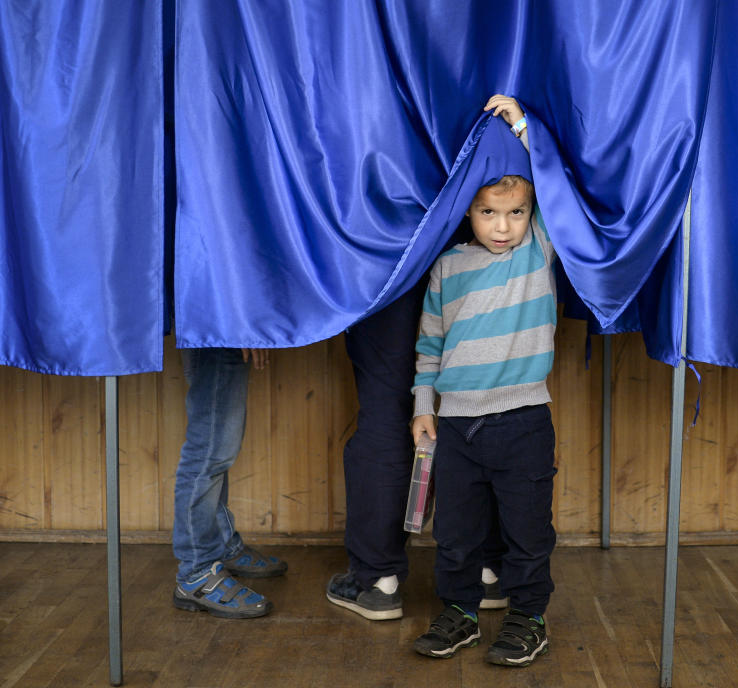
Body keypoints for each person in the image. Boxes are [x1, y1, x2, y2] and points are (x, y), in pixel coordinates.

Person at [410, 95, 557, 667]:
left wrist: (520, 130)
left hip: (523, 421)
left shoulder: (538, 252)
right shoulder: (447, 267)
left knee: (527, 532)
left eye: (516, 213)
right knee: (456, 533)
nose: (504, 226)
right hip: (456, 423)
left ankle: (528, 618)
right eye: (490, 213)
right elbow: (429, 345)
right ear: (467, 212)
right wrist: (424, 404)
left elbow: (555, 191)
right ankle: (461, 612)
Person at [325, 279, 510, 621]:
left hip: (384, 254)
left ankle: (380, 582)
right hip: (465, 243)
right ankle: (485, 572)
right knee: (480, 402)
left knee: (384, 406)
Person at [172, 347, 288, 618]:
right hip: (218, 325)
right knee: (209, 451)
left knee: (216, 451)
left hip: (217, 326)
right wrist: (239, 326)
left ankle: (222, 546)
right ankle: (197, 572)